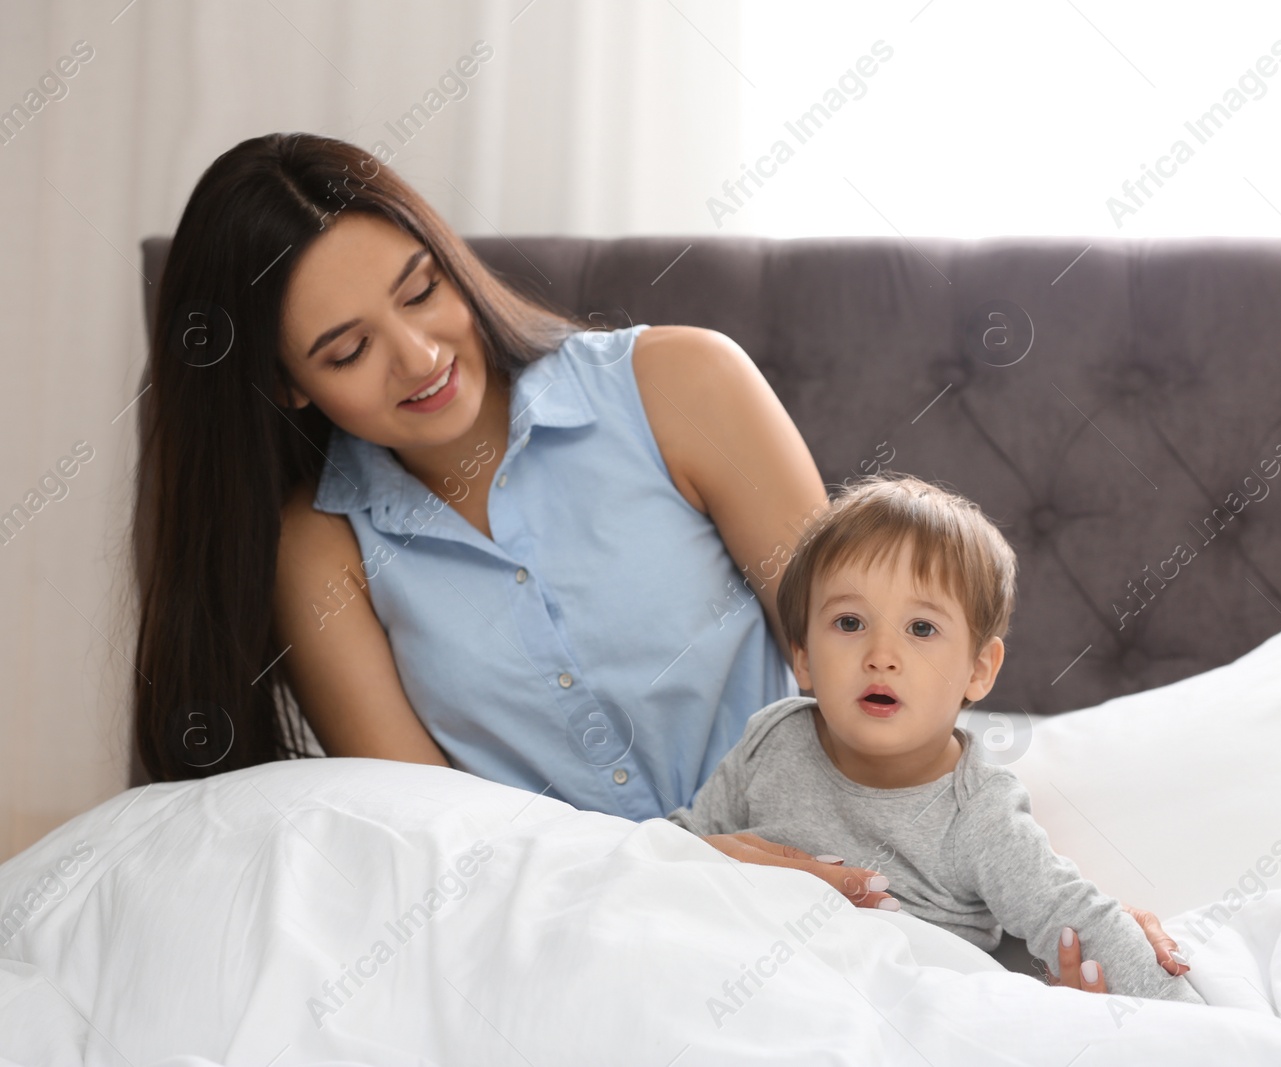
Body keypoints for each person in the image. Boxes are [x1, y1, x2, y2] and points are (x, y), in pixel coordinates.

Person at [129, 132, 1183, 987]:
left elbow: (871, 666)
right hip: (574, 933)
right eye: (347, 348)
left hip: (834, 894)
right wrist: (669, 868)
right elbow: (433, 831)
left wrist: (1037, 903)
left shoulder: (679, 385)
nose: (419, 355)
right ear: (287, 388)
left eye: (420, 288)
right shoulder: (319, 548)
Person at [666, 474, 1199, 998]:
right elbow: (669, 849)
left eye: (921, 629)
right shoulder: (773, 738)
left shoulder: (978, 814)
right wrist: (703, 866)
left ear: (979, 669)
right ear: (802, 654)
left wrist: (1187, 1017)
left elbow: (1074, 917)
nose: (881, 655)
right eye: (849, 622)